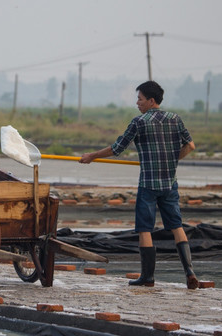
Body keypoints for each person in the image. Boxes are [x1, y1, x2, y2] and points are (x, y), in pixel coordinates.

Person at [79, 81, 199, 290]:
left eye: (140, 99)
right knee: (177, 226)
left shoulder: (139, 122)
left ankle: (147, 277)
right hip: (169, 183)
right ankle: (189, 272)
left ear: (151, 101)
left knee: (145, 229)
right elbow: (190, 145)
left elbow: (116, 148)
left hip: (148, 185)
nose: (137, 103)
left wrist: (92, 156)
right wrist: (172, 161)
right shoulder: (175, 119)